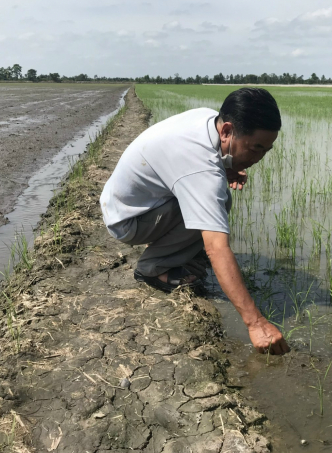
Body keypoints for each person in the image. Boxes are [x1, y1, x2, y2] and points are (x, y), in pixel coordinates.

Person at [100, 87, 290, 355]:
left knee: (216, 197)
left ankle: (173, 252)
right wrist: (255, 322)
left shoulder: (207, 118)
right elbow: (216, 247)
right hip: (128, 220)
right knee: (216, 202)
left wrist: (228, 166)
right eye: (254, 148)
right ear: (226, 131)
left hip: (131, 203)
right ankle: (153, 268)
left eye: (266, 150)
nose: (258, 158)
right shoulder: (200, 167)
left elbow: (195, 165)